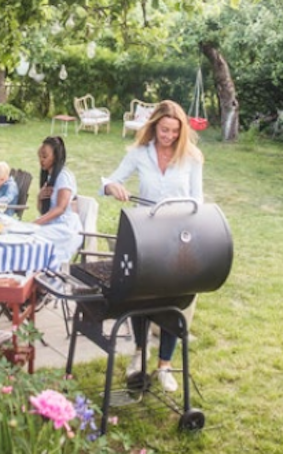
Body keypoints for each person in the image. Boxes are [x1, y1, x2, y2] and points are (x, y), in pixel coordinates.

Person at [101, 100, 204, 393]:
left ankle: (165, 365)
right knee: (141, 297)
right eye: (164, 129)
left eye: (174, 131)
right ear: (154, 126)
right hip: (144, 235)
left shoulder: (192, 157)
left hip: (178, 237)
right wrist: (112, 187)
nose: (169, 135)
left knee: (173, 300)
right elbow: (110, 181)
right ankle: (139, 352)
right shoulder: (139, 153)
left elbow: (198, 200)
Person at [32, 136, 83, 263]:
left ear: (55, 157)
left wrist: (34, 223)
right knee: (27, 236)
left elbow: (61, 208)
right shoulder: (50, 177)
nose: (41, 160)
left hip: (65, 228)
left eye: (45, 156)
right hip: (53, 225)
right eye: (40, 156)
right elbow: (43, 211)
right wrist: (39, 198)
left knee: (31, 237)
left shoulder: (63, 176)